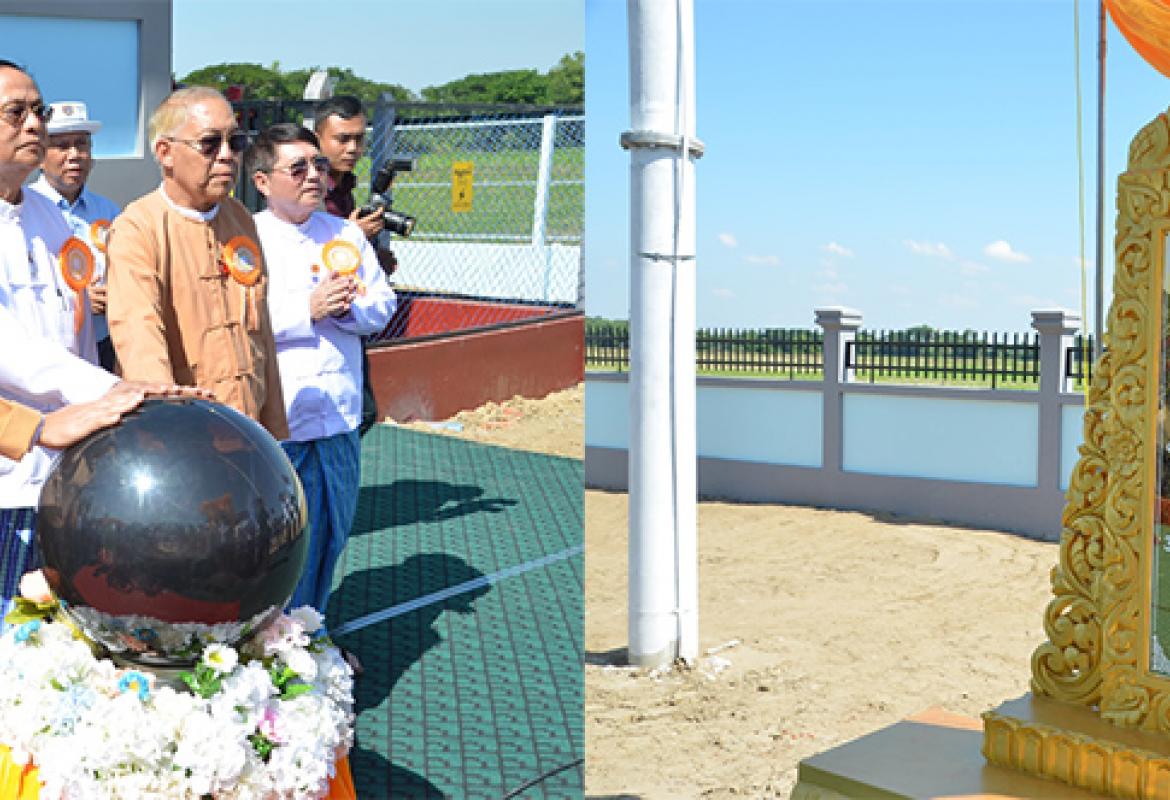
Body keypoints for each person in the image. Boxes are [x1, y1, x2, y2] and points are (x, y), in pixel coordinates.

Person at [248, 123, 395, 625]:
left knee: (333, 531)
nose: (313, 176)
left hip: (338, 416)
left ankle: (311, 630)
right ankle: (272, 636)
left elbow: (383, 305)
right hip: (281, 418)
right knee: (282, 540)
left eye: (319, 166)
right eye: (298, 168)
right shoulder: (245, 240)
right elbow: (237, 322)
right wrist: (305, 311)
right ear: (263, 181)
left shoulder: (345, 234)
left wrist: (347, 309)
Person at [106, 87, 289, 439]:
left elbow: (261, 332)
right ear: (165, 153)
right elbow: (139, 337)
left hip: (248, 432)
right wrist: (168, 428)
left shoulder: (240, 219)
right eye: (210, 143)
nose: (227, 156)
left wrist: (273, 430)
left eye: (235, 142)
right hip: (184, 437)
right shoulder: (139, 228)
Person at [314, 95, 396, 437]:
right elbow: (303, 250)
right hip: (314, 323)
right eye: (342, 139)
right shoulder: (310, 189)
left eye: (359, 139)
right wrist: (352, 237)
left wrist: (370, 256)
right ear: (318, 138)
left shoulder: (344, 184)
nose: (352, 148)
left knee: (358, 411)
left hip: (346, 316)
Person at [27, 101, 121, 372]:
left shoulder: (109, 211)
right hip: (48, 351)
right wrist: (79, 300)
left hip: (104, 345)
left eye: (82, 145)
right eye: (62, 146)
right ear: (40, 156)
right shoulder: (23, 209)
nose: (74, 155)